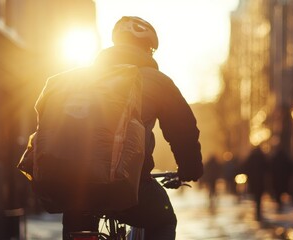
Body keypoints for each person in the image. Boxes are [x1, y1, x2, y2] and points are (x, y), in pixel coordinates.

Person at [22, 16, 203, 240]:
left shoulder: (79, 79)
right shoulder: (156, 81)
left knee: (76, 223)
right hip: (126, 187)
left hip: (71, 186)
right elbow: (183, 130)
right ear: (148, 50)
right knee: (164, 218)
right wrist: (190, 168)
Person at [241, 147, 268, 220]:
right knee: (259, 195)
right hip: (260, 180)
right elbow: (267, 168)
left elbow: (244, 167)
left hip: (253, 181)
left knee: (256, 195)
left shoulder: (251, 158)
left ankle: (257, 209)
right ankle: (258, 209)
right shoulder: (263, 157)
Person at [270, 146, 293, 212]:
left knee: (278, 192)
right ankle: (280, 204)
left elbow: (271, 168)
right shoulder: (285, 158)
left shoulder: (275, 158)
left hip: (277, 179)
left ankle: (279, 204)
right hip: (283, 179)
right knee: (280, 191)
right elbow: (291, 167)